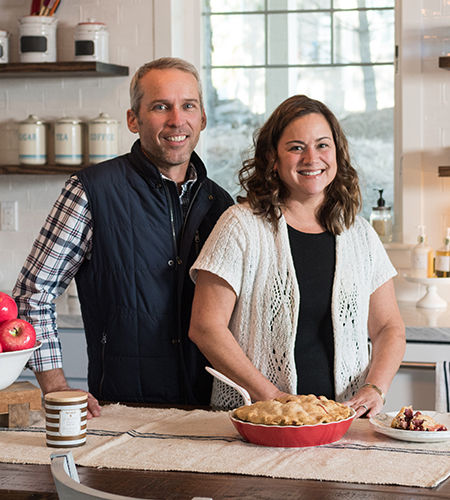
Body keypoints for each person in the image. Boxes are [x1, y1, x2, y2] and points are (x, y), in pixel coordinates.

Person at [13, 57, 234, 418]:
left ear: (203, 119)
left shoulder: (220, 203)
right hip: (120, 411)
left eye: (188, 106)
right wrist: (55, 386)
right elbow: (32, 294)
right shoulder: (90, 191)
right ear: (134, 120)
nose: (177, 120)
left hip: (208, 413)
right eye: (161, 106)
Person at [188, 94, 405, 418]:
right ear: (273, 158)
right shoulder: (240, 226)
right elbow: (205, 327)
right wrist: (272, 397)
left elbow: (389, 327)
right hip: (256, 421)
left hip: (343, 423)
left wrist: (375, 388)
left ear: (337, 153)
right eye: (295, 147)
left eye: (322, 145)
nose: (311, 157)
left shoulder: (359, 234)